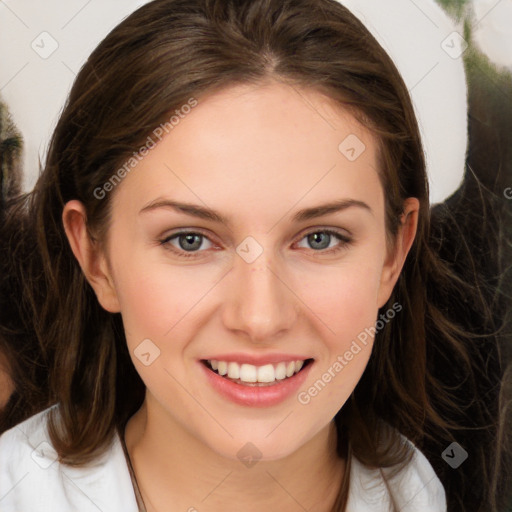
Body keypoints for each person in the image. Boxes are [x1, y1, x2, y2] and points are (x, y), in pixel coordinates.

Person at [0, 0, 508, 510]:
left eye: (320, 238)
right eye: (190, 240)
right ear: (96, 256)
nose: (260, 318)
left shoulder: (423, 494)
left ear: (393, 254)